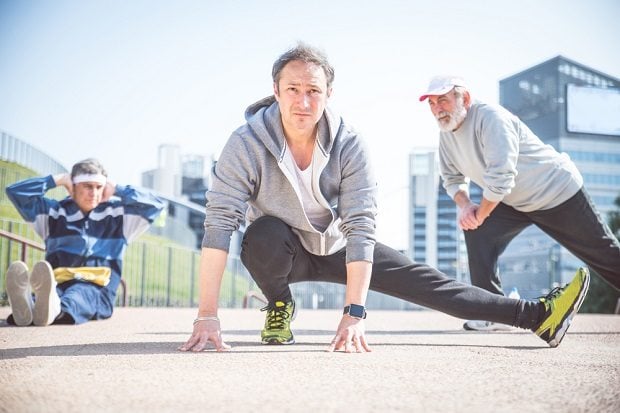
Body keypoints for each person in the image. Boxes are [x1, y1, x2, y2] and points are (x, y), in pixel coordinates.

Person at [179, 43, 590, 354]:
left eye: (313, 91)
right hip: (281, 249)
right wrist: (208, 316)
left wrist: (354, 313)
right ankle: (279, 306)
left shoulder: (349, 143)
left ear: (329, 93)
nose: (303, 102)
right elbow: (219, 225)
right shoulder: (245, 144)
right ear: (275, 90)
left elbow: (360, 226)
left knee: (432, 284)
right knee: (262, 233)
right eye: (292, 89)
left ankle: (537, 317)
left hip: (340, 245)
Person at [419, 75, 620, 331]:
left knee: (603, 253)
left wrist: (480, 212)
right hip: (514, 201)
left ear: (464, 98)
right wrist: (466, 206)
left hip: (556, 191)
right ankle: (492, 312)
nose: (438, 109)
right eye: (433, 104)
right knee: (476, 230)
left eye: (444, 100)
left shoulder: (491, 118)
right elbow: (451, 179)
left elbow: (501, 177)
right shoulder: (446, 134)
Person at [4, 158, 164, 326]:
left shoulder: (120, 216)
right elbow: (15, 192)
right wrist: (57, 180)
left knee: (77, 294)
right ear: (73, 187)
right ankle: (28, 309)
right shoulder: (53, 213)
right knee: (49, 295)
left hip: (96, 289)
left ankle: (51, 310)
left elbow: (156, 204)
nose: (94, 193)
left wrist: (117, 189)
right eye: (87, 186)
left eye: (98, 187)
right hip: (56, 284)